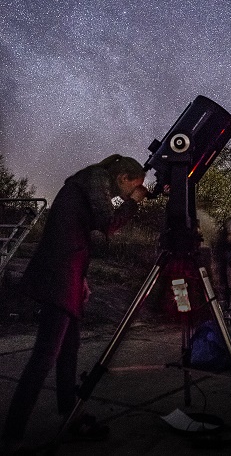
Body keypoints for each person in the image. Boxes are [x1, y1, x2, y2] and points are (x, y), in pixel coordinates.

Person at [1, 155, 148, 455]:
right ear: (122, 177)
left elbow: (76, 233)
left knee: (69, 349)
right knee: (45, 355)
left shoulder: (87, 183)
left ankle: (70, 412)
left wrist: (80, 278)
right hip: (60, 276)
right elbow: (107, 223)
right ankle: (12, 436)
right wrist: (134, 202)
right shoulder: (96, 180)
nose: (131, 191)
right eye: (133, 185)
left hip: (66, 273)